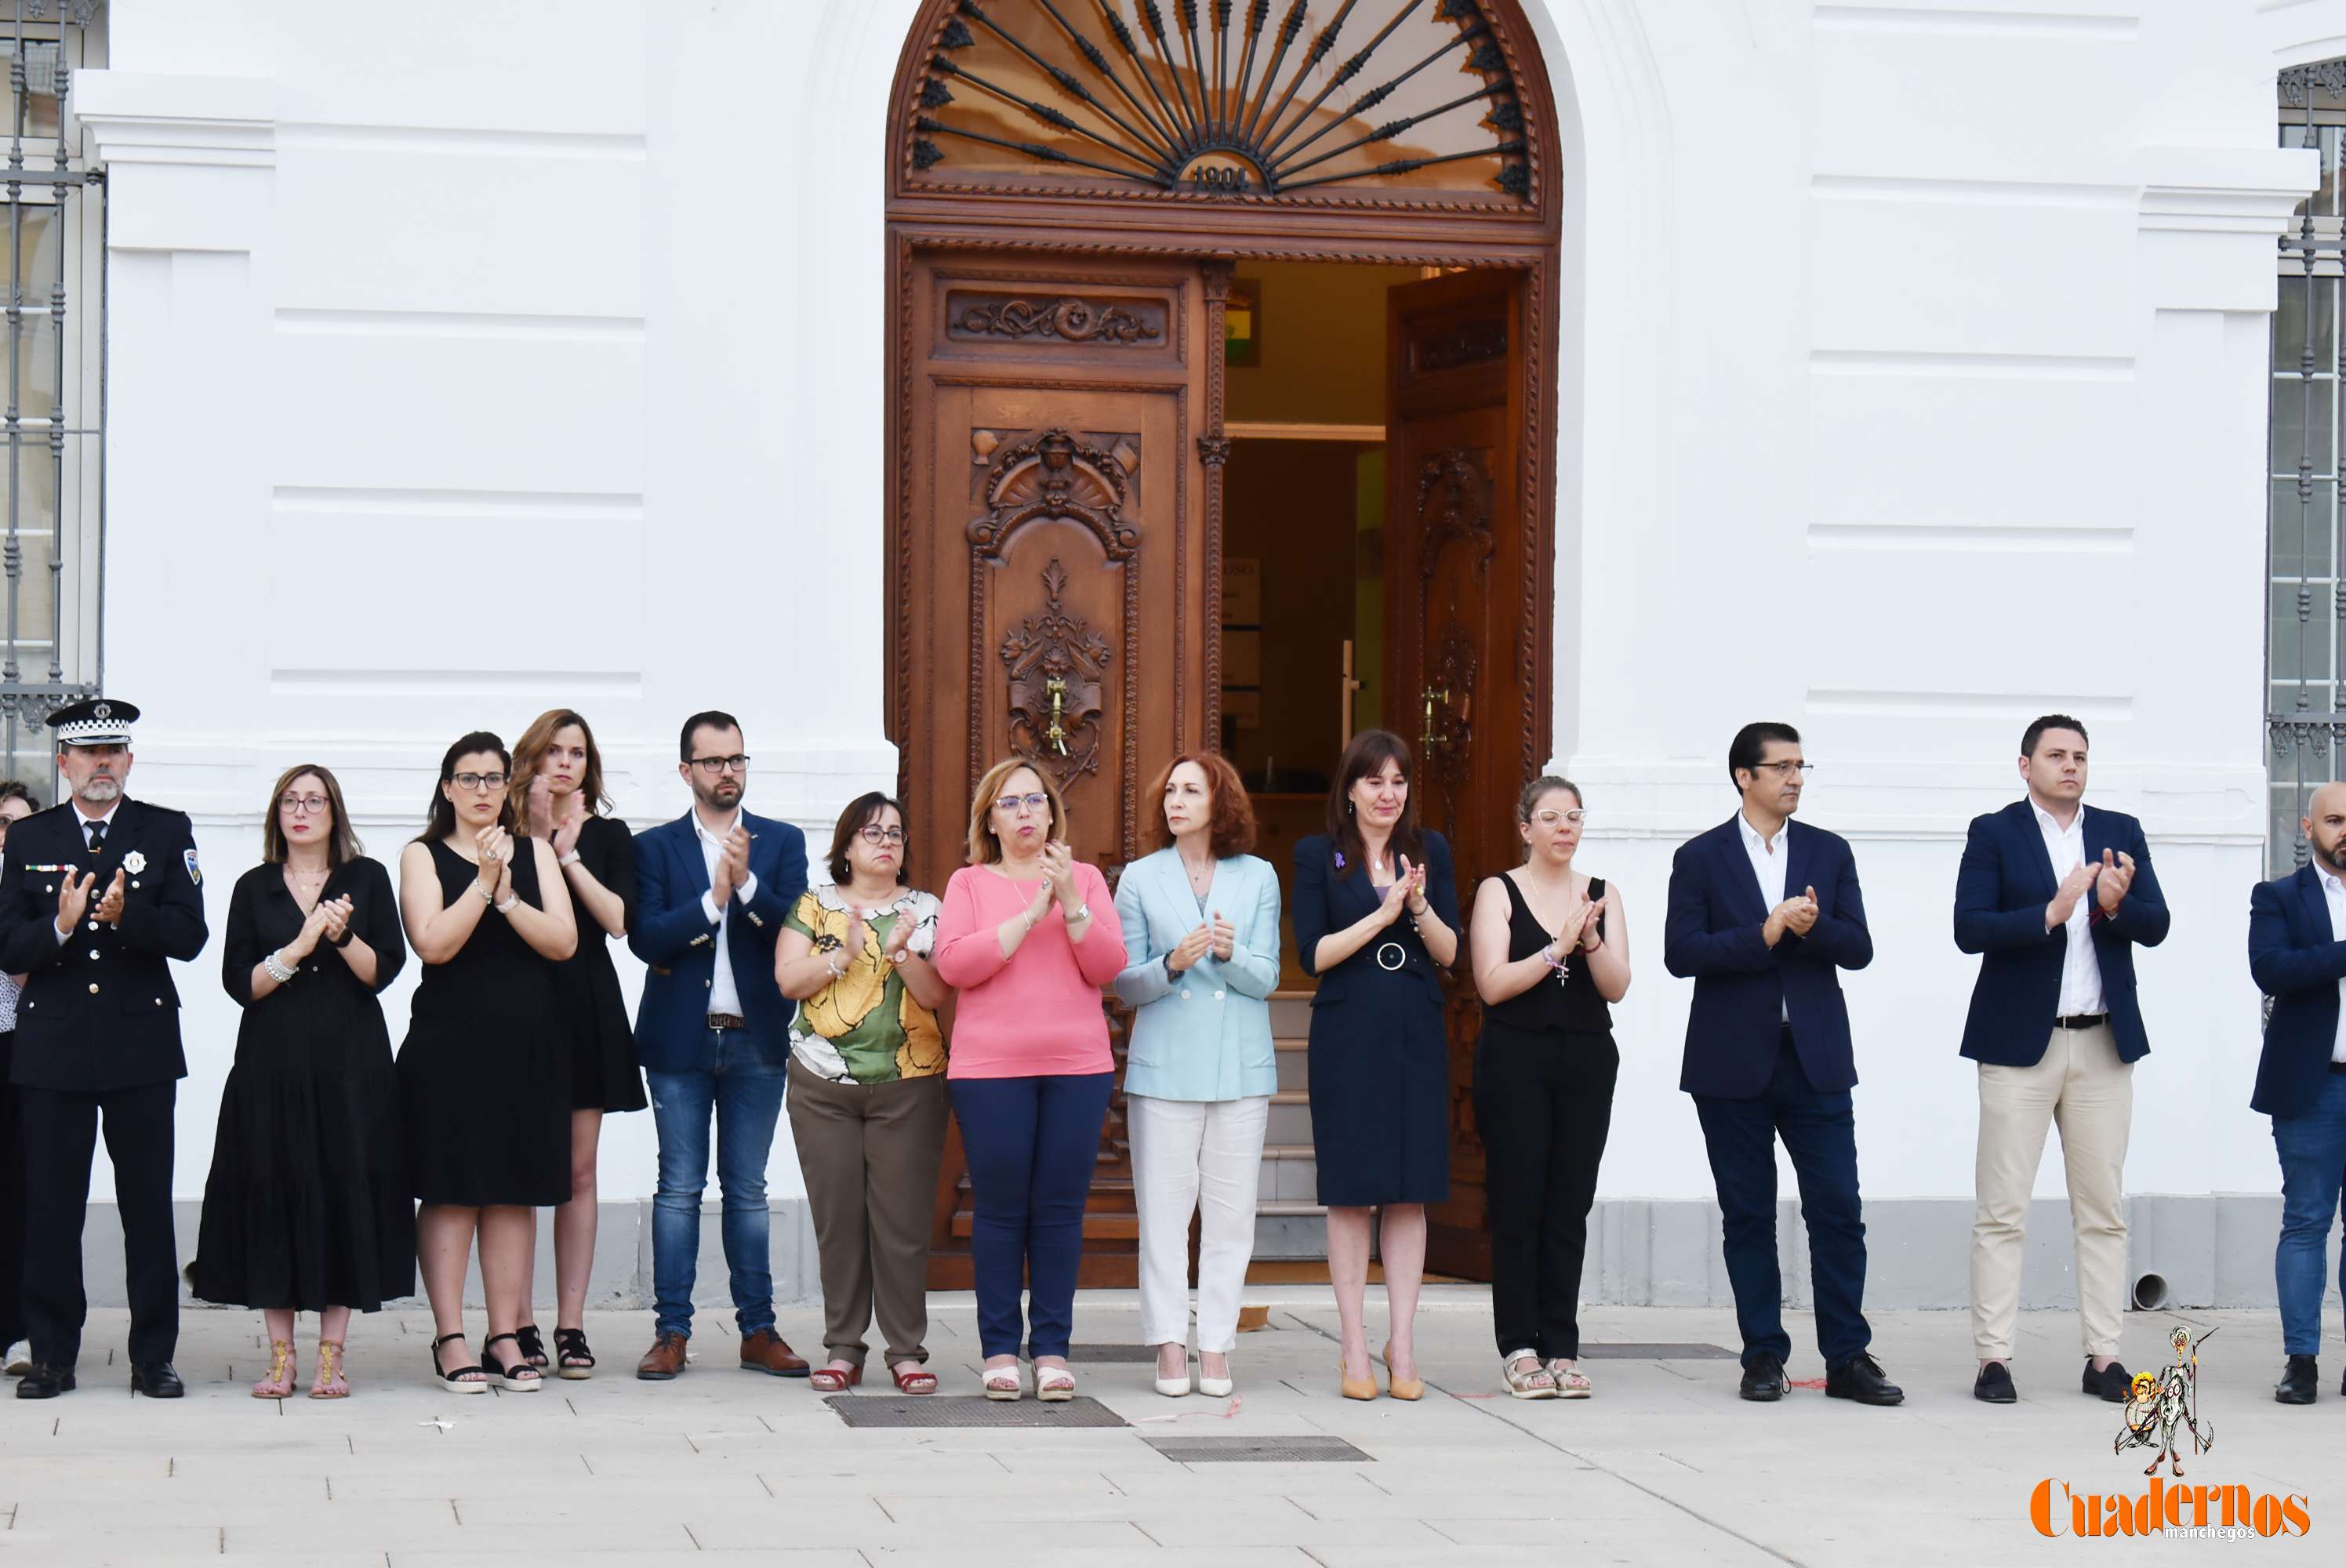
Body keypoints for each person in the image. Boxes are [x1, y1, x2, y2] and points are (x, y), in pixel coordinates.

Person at [1661, 721, 1901, 1406]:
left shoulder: (1829, 851)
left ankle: (1848, 1359)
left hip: (1815, 1058)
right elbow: (1683, 953)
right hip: (1730, 1062)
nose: (1796, 778)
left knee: (1838, 1209)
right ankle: (1763, 1355)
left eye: (1802, 766)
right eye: (1783, 767)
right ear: (1745, 776)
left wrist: (1810, 927)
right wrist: (1765, 933)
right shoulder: (1701, 857)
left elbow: (1858, 947)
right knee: (1748, 1214)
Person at [1955, 714, 2168, 1406]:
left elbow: (2158, 923)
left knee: (2103, 1209)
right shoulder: (1994, 833)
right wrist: (2050, 913)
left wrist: (2113, 907)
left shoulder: (2121, 831)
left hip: (2103, 1043)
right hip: (2020, 1045)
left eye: (2079, 756)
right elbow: (1969, 927)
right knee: (2003, 1210)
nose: (2070, 766)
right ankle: (1994, 1358)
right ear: (2026, 766)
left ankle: (2104, 1357)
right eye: (2055, 755)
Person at [0, 698, 209, 1400]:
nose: (101, 764)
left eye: (113, 752)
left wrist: (130, 919)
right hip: (53, 1048)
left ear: (128, 760)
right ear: (63, 763)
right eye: (88, 754)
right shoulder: (30, 840)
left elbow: (190, 935)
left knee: (146, 1206)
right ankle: (53, 1354)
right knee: (52, 1207)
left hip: (139, 1045)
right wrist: (58, 928)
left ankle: (153, 1356)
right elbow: (7, 944)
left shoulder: (165, 828)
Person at [191, 764, 412, 1399]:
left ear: (334, 813)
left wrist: (339, 935)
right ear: (276, 813)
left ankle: (332, 1358)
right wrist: (298, 946)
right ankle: (281, 1356)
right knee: (272, 1191)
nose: (302, 809)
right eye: (290, 799)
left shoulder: (365, 879)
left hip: (350, 1065)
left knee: (346, 1189)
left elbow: (382, 972)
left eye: (315, 799)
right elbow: (243, 984)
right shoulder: (253, 886)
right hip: (272, 1065)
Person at [933, 758, 1125, 1401]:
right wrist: (1027, 914)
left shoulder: (1089, 880)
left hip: (1077, 1068)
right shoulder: (969, 883)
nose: (1024, 813)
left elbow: (1108, 965)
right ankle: (997, 1349)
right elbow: (955, 963)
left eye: (1035, 801)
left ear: (1052, 813)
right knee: (1000, 1210)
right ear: (990, 818)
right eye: (1010, 803)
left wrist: (1068, 900)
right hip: (991, 1071)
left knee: (1059, 1212)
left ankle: (1050, 1348)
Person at [629, 710, 810, 1381]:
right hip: (681, 1041)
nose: (727, 771)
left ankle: (757, 1331)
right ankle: (671, 1332)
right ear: (687, 771)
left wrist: (750, 888)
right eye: (713, 761)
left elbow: (795, 924)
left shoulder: (781, 842)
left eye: (737, 759)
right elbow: (646, 938)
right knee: (677, 1189)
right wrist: (713, 901)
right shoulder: (654, 849)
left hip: (756, 1040)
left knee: (749, 1191)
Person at [396, 732, 577, 1394]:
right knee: (452, 1191)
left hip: (527, 1045)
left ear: (507, 787)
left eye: (493, 778)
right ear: (447, 788)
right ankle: (450, 1337)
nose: (480, 791)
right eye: (467, 778)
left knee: (513, 1192)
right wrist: (481, 883)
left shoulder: (535, 853)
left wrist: (507, 896)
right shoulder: (421, 855)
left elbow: (564, 941)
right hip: (449, 1046)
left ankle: (506, 1333)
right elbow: (434, 943)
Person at [1291, 729, 1458, 1403]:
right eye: (1374, 781)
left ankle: (1405, 1344)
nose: (1388, 794)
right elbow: (1313, 953)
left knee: (1410, 1189)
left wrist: (1416, 906)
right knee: (1351, 1190)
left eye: (1398, 782)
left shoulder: (1430, 852)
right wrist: (1382, 914)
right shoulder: (1317, 855)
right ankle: (1355, 1344)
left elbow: (1450, 953)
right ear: (1351, 789)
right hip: (1347, 1029)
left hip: (1414, 1026)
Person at [1112, 753, 1280, 1399]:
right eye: (1171, 790)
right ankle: (1168, 1345)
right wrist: (1171, 964)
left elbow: (1266, 977)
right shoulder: (1140, 878)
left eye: (1191, 790)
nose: (1175, 801)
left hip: (1239, 1066)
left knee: (1231, 1214)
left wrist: (1231, 953)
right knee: (1164, 1214)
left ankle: (1215, 1345)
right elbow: (1125, 982)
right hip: (1164, 1069)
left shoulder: (1258, 876)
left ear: (1221, 802)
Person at [775, 793, 949, 1396]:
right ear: (846, 846)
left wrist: (899, 948)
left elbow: (935, 996)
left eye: (896, 833)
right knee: (839, 1222)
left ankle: (906, 1351)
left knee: (901, 1224)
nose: (887, 842)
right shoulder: (815, 905)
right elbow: (787, 979)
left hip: (910, 1085)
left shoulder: (927, 909)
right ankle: (844, 1348)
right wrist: (844, 954)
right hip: (822, 1084)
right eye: (873, 833)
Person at [1469, 775, 1629, 1399]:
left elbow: (1617, 985)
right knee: (1519, 1202)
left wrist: (1588, 940)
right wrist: (1557, 946)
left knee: (1570, 1204)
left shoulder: (1604, 893)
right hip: (1515, 1056)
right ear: (1526, 826)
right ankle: (1520, 1346)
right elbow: (1492, 983)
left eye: (1575, 816)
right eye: (1552, 817)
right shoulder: (1499, 890)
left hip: (1587, 1057)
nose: (1565, 828)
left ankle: (1563, 1343)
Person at [510, 709, 643, 1380]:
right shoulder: (503, 834)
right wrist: (534, 837)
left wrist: (566, 855)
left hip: (586, 1001)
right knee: (525, 1173)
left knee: (578, 1171)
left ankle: (570, 1324)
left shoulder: (611, 835)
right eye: (553, 751)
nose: (566, 762)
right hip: (521, 1004)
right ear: (530, 760)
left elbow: (619, 921)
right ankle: (518, 1322)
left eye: (579, 753)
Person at [2246, 779, 2346, 1406]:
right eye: (2335, 819)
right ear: (2309, 829)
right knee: (2307, 1222)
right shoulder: (2279, 896)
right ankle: (2301, 1360)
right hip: (2313, 1086)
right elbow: (2271, 969)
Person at [0, 779, 41, 1379]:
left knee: (19, 1191)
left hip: (17, 1046)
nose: (5, 833)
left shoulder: (36, 889)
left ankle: (22, 1331)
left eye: (16, 822)